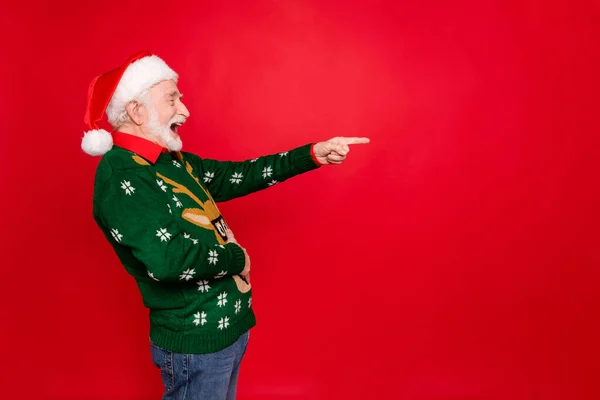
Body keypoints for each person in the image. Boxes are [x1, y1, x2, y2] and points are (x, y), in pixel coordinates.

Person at [82, 50, 369, 400]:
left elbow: (238, 175)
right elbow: (168, 260)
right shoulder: (123, 173)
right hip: (194, 341)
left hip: (225, 331)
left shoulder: (170, 161)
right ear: (135, 110)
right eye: (172, 98)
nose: (184, 110)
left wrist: (311, 155)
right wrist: (236, 257)